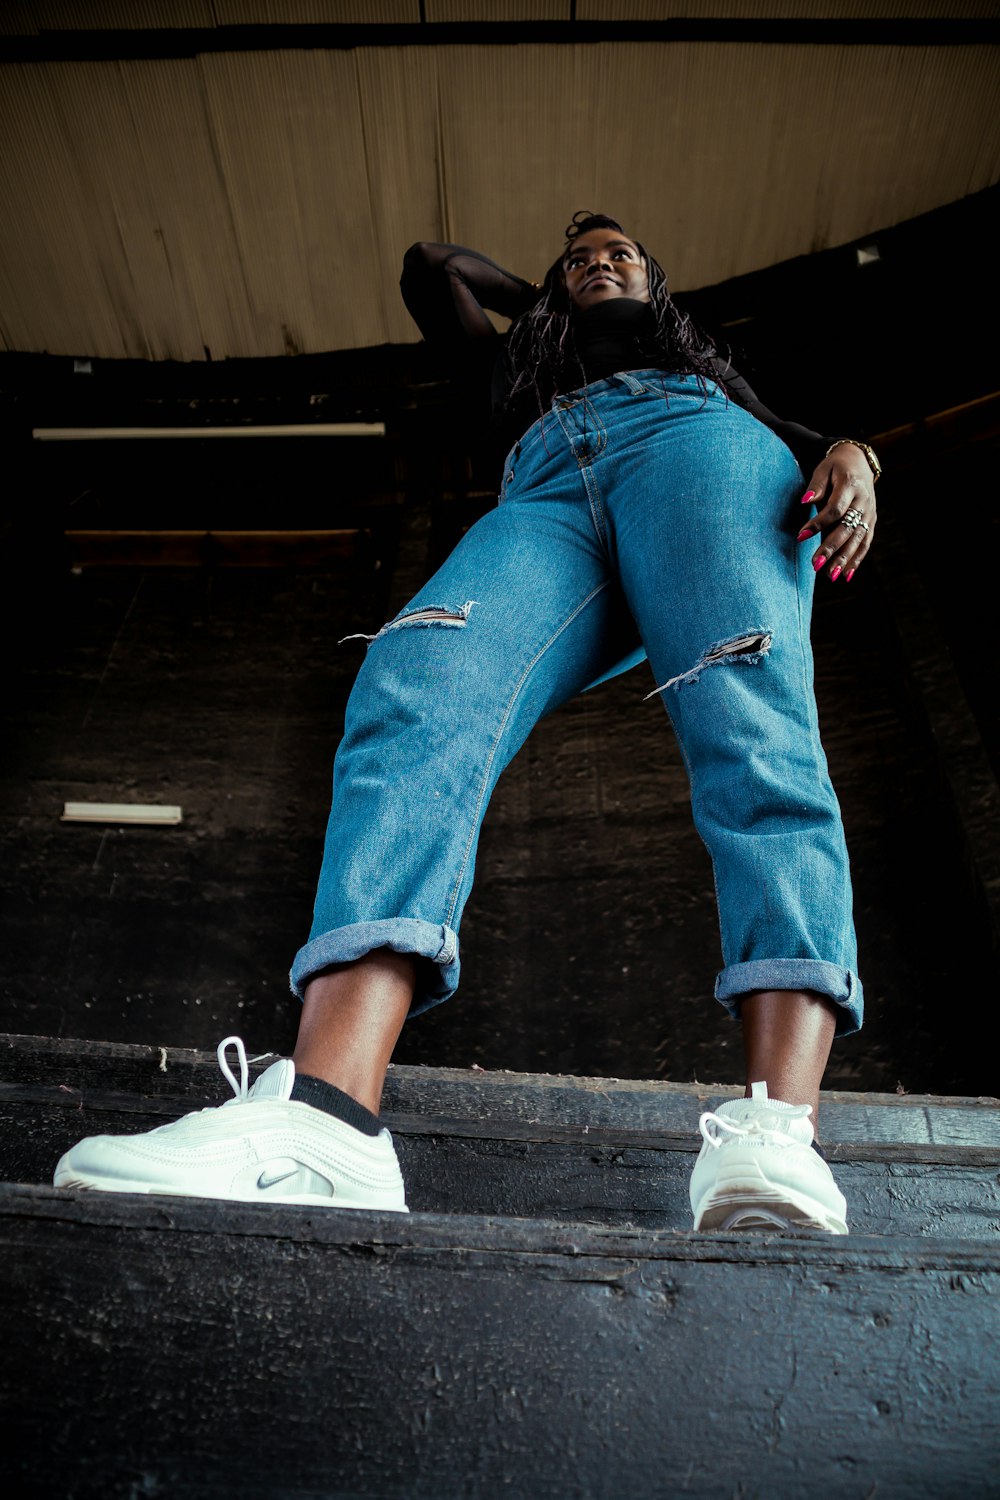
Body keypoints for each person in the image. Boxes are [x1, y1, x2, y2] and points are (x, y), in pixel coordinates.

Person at [55, 213, 879, 1234]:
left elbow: (787, 434)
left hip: (700, 448)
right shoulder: (516, 361)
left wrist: (850, 452)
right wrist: (547, 297)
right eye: (579, 258)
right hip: (543, 487)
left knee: (744, 711)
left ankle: (775, 1133)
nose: (600, 264)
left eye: (621, 254)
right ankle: (327, 1123)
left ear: (657, 283)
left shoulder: (688, 354)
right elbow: (431, 266)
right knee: (416, 676)